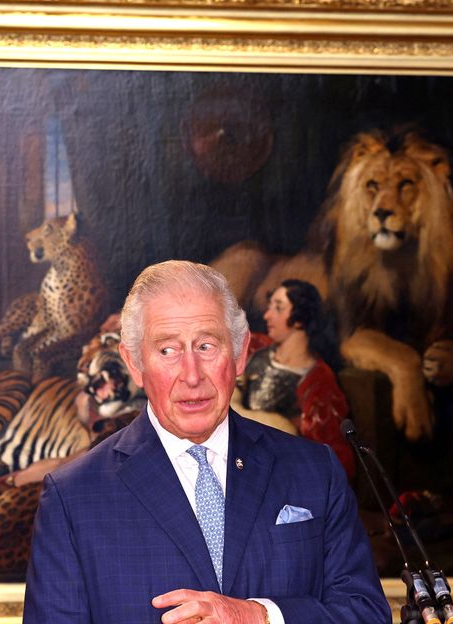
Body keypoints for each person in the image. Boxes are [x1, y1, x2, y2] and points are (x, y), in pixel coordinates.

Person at [24, 260, 389, 623]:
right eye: (168, 350)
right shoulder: (72, 496)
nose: (192, 375)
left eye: (206, 346)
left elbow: (366, 614)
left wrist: (261, 616)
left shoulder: (314, 471)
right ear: (134, 364)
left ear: (240, 353)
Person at [237, 279, 355, 478]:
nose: (267, 315)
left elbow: (332, 463)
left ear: (299, 319)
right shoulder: (255, 348)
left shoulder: (317, 383)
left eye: (278, 308)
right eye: (269, 307)